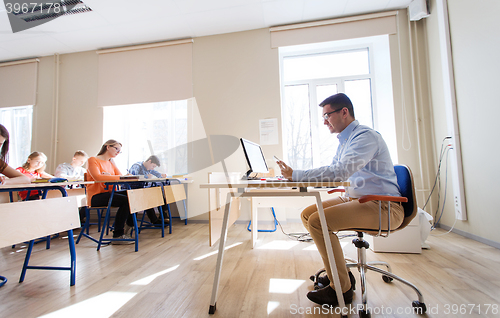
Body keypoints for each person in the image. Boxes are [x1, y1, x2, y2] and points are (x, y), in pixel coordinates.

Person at [277, 93, 404, 307]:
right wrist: (295, 175)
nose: (324, 121)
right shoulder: (345, 141)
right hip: (358, 198)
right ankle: (341, 273)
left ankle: (341, 288)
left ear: (344, 112)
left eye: (327, 115)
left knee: (318, 221)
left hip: (384, 206)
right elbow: (335, 170)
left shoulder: (365, 136)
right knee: (308, 215)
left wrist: (296, 174)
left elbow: (339, 172)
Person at [85, 140, 134, 244]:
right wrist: (113, 177)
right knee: (126, 201)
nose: (117, 152)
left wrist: (111, 173)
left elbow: (122, 177)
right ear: (107, 147)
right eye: (116, 149)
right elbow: (98, 177)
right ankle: (118, 235)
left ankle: (128, 228)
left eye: (119, 151)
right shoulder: (92, 160)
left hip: (110, 193)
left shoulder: (111, 162)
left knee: (133, 196)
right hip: (96, 196)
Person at [127, 155, 169, 226]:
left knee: (157, 194)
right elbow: (133, 177)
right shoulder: (137, 166)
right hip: (132, 190)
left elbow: (157, 174)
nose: (152, 168)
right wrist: (146, 177)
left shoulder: (148, 168)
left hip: (141, 190)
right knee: (148, 198)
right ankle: (156, 220)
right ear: (149, 161)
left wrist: (162, 175)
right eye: (153, 166)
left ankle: (162, 215)